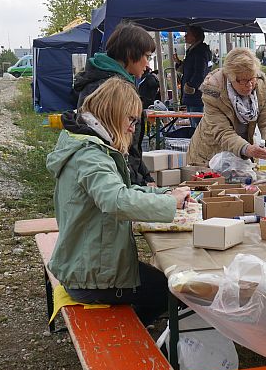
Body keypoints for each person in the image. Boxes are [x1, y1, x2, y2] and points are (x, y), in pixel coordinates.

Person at [47, 78, 192, 325]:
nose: (133, 128)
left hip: (87, 265)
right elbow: (117, 200)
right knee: (175, 292)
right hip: (91, 278)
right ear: (114, 115)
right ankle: (129, 335)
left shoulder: (87, 145)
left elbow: (123, 190)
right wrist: (170, 204)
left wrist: (165, 196)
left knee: (163, 283)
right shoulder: (91, 156)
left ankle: (136, 328)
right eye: (131, 120)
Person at [73, 22, 157, 187]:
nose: (147, 64)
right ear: (130, 53)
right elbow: (116, 147)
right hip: (115, 182)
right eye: (146, 56)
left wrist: (145, 177)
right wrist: (138, 183)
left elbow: (130, 145)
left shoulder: (116, 81)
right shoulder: (108, 88)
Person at [186, 48, 266, 166]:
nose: (249, 85)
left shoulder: (262, 85)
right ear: (229, 78)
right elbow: (222, 132)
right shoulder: (212, 91)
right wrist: (247, 149)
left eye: (252, 78)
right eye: (242, 81)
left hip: (241, 151)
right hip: (209, 155)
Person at [173, 26, 212, 128]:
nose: (185, 36)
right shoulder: (193, 50)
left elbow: (200, 72)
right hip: (192, 94)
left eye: (188, 34)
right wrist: (179, 63)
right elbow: (190, 69)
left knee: (198, 125)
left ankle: (200, 143)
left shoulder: (200, 51)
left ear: (195, 37)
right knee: (194, 122)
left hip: (196, 94)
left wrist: (190, 85)